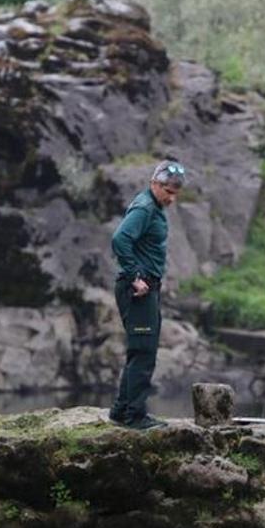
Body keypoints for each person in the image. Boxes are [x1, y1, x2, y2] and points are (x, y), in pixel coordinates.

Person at [108, 159, 186, 429]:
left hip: (147, 287)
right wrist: (134, 277)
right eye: (168, 191)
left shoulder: (154, 206)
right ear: (155, 183)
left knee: (139, 350)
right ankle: (135, 416)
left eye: (176, 192)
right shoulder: (144, 208)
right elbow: (120, 239)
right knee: (144, 353)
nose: (172, 197)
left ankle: (121, 410)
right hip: (137, 290)